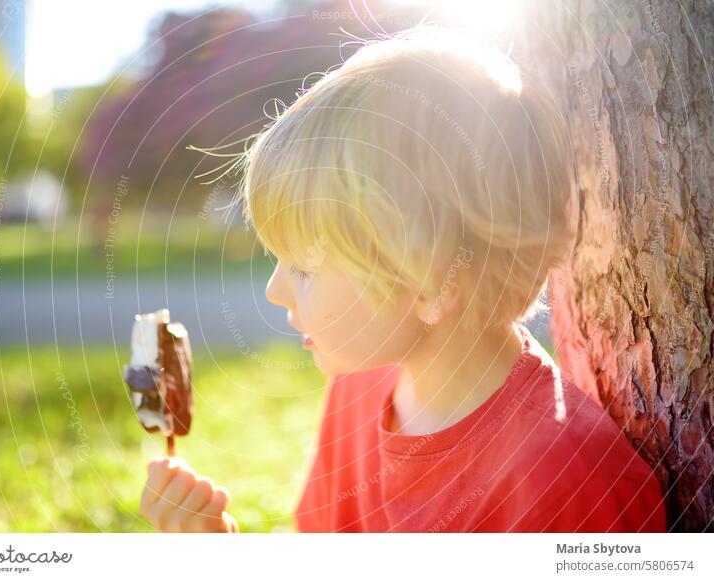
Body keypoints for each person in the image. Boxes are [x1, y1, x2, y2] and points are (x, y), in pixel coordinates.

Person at [139, 26, 667, 533]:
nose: (274, 290)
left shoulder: (570, 486)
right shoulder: (357, 385)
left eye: (304, 265)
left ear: (433, 285)